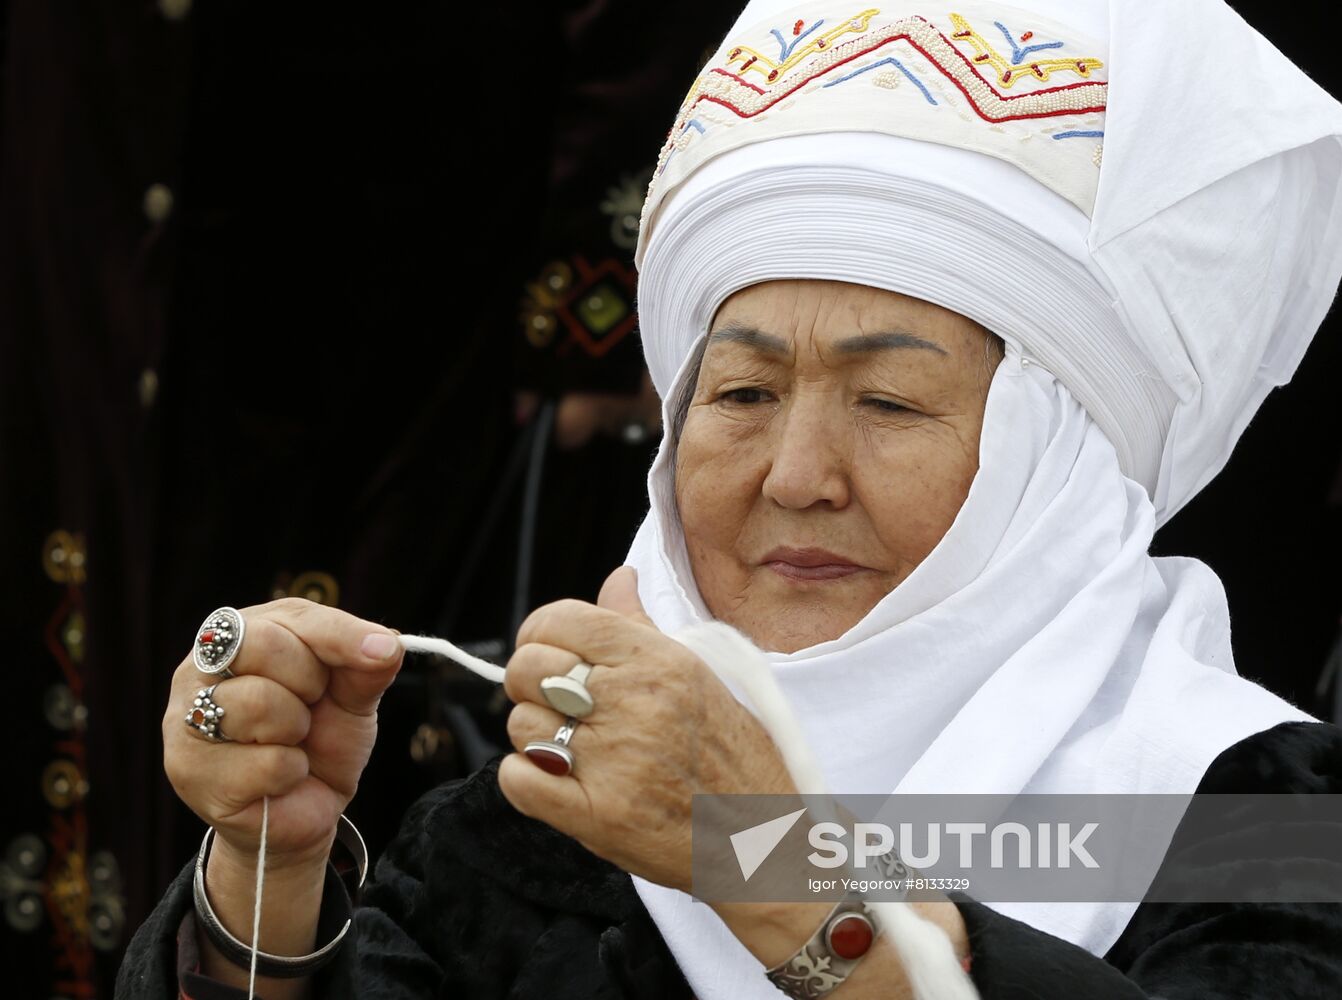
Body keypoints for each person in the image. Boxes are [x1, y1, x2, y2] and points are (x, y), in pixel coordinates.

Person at [116, 0, 1342, 998]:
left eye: (890, 405)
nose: (794, 475)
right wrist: (263, 864)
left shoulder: (1242, 817)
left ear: (1056, 473)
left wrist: (761, 855)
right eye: (743, 392)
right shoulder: (551, 814)